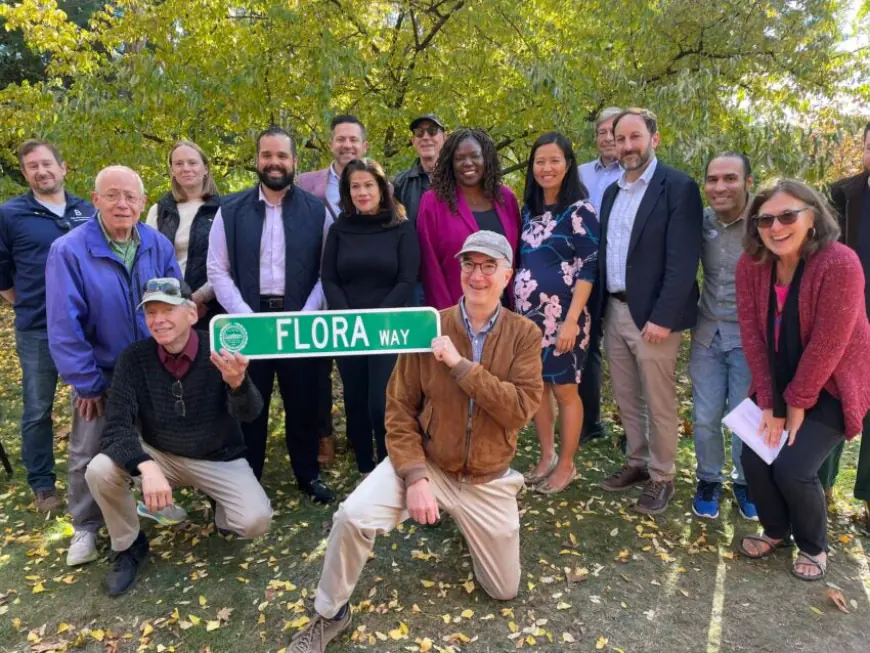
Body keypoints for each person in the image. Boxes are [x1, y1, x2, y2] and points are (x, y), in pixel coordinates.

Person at [287, 231, 543, 652]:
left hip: (487, 477)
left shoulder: (525, 335)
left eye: (488, 266)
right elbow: (399, 410)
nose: (476, 275)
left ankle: (471, 523)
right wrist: (415, 476)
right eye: (469, 265)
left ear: (507, 275)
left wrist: (461, 366)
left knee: (503, 589)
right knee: (351, 516)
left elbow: (519, 408)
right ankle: (329, 612)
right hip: (432, 465)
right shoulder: (428, 325)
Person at [85, 277, 271, 596]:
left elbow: (250, 413)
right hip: (160, 455)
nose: (158, 320)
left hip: (217, 457)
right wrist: (147, 466)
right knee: (99, 470)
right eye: (151, 313)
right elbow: (116, 427)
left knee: (255, 521)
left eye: (168, 310)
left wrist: (238, 384)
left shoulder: (219, 350)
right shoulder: (134, 358)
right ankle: (129, 545)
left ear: (191, 314)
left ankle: (220, 505)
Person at [734, 179, 870, 581]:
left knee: (793, 466)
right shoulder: (751, 264)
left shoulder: (840, 262)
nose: (775, 228)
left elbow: (830, 343)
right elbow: (752, 337)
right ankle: (776, 530)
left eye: (787, 215)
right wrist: (769, 403)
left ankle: (813, 545)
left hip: (831, 382)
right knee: (753, 458)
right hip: (776, 377)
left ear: (812, 218)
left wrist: (795, 403)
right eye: (765, 219)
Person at [45, 165, 181, 566]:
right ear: (96, 199)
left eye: (131, 197)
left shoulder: (157, 244)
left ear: (142, 202)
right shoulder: (69, 251)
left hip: (152, 366)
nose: (123, 203)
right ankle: (86, 526)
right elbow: (63, 326)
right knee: (89, 449)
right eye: (113, 195)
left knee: (153, 439)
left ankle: (150, 502)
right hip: (100, 371)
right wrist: (86, 383)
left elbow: (174, 301)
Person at [207, 126, 335, 504]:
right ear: (257, 160)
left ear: (295, 162)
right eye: (267, 155)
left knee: (304, 401)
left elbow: (327, 270)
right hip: (248, 323)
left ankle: (308, 474)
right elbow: (217, 270)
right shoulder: (229, 211)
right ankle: (249, 479)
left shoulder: (317, 211)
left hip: (299, 321)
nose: (274, 163)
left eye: (282, 156)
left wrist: (306, 315)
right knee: (249, 404)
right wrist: (248, 317)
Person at [597, 108, 703, 515]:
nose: (627, 146)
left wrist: (662, 316)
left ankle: (663, 476)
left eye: (634, 137)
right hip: (616, 310)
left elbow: (682, 260)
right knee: (627, 396)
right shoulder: (612, 192)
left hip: (655, 318)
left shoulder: (677, 187)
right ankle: (637, 463)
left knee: (659, 401)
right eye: (619, 138)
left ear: (653, 139)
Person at [0, 139, 93, 512]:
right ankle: (43, 485)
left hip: (87, 327)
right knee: (38, 409)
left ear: (63, 167)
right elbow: (1, 270)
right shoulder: (9, 215)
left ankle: (97, 474)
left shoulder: (87, 211)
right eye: (32, 167)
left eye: (47, 164)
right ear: (25, 173)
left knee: (92, 400)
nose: (41, 171)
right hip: (37, 328)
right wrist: (21, 300)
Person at [321, 158, 419, 475]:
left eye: (368, 185)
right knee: (356, 400)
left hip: (388, 326)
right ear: (348, 193)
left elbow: (407, 280)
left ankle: (391, 464)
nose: (362, 192)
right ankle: (365, 465)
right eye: (355, 186)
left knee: (381, 401)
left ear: (381, 188)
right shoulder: (339, 229)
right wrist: (349, 318)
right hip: (347, 327)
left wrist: (377, 318)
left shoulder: (401, 228)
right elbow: (330, 279)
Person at [515, 132, 599, 494]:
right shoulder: (528, 211)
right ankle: (546, 456)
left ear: (568, 165)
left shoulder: (580, 210)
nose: (546, 168)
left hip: (564, 318)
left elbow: (589, 267)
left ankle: (567, 465)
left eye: (554, 161)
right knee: (538, 391)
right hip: (528, 321)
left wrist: (570, 320)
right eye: (540, 161)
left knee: (565, 391)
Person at [689, 153, 758, 520]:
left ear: (748, 182)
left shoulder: (765, 223)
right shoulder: (699, 222)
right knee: (705, 416)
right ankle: (708, 480)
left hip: (750, 339)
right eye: (713, 179)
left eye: (730, 178)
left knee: (745, 416)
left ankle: (747, 482)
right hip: (707, 334)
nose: (720, 187)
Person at [297, 115, 369, 466]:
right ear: (331, 143)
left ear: (364, 145)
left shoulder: (373, 182)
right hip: (314, 289)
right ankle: (323, 435)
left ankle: (360, 433)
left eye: (353, 139)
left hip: (357, 288)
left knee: (358, 366)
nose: (347, 145)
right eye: (341, 139)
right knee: (317, 370)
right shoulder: (306, 182)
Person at [818, 120, 870, 521]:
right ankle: (821, 488)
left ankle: (868, 500)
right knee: (834, 402)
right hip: (845, 321)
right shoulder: (841, 195)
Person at [418, 128, 521, 310]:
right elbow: (430, 268)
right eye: (459, 158)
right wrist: (448, 318)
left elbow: (516, 258)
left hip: (504, 313)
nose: (468, 163)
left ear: (486, 159)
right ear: (450, 162)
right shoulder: (433, 202)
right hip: (456, 312)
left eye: (475, 156)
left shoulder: (506, 199)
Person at [577, 108, 623, 445]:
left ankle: (635, 432)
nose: (606, 138)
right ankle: (589, 422)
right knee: (587, 345)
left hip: (625, 272)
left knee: (629, 352)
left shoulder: (640, 175)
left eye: (613, 131)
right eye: (601, 132)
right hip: (587, 271)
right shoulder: (579, 174)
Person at [145, 141, 222, 329]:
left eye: (192, 162)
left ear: (205, 168)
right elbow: (149, 262)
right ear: (172, 170)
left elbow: (226, 264)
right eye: (179, 164)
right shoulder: (158, 211)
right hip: (168, 308)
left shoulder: (225, 210)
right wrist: (174, 302)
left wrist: (198, 298)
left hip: (212, 308)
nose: (186, 168)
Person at [394, 114, 447, 306]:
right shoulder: (399, 184)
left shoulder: (462, 180)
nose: (425, 137)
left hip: (453, 276)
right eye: (419, 133)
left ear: (444, 137)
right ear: (413, 140)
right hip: (417, 282)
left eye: (432, 131)